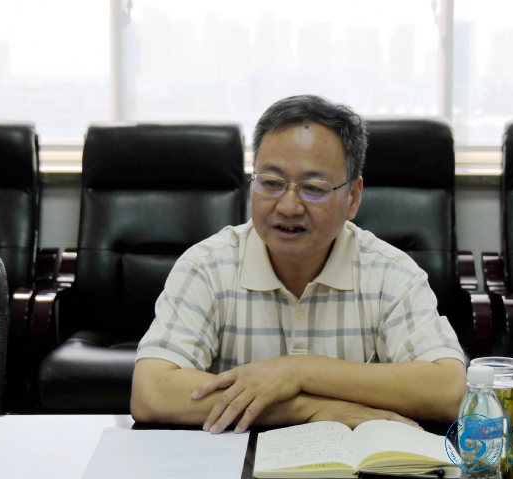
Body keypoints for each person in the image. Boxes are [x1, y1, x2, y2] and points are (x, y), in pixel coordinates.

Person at [131, 94, 466, 434]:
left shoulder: (391, 272)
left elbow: (450, 391)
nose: (288, 207)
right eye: (271, 183)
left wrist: (299, 371)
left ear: (352, 197)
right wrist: (310, 408)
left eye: (313, 188)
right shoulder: (207, 267)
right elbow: (151, 392)